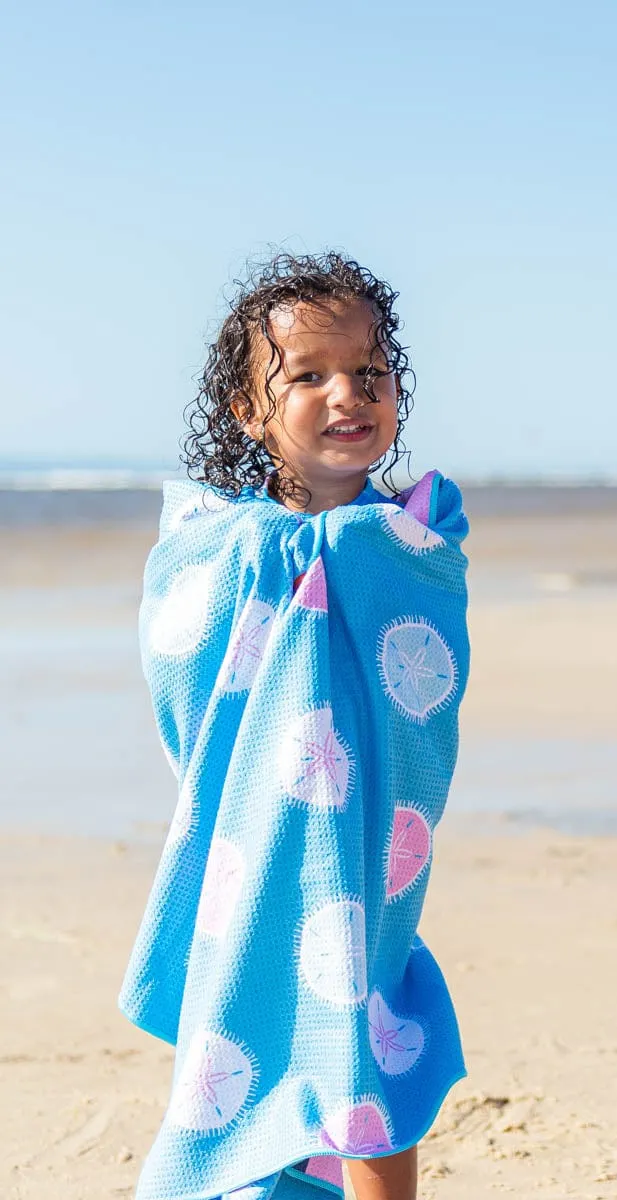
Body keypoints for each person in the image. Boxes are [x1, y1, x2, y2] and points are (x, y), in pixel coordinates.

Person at [119, 252, 469, 1200]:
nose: (347, 394)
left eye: (370, 372)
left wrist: (350, 554)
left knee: (360, 1010)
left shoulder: (413, 535)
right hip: (255, 826)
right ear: (248, 410)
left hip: (364, 836)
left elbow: (422, 676)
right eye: (307, 375)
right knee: (250, 990)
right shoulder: (218, 540)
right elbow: (184, 661)